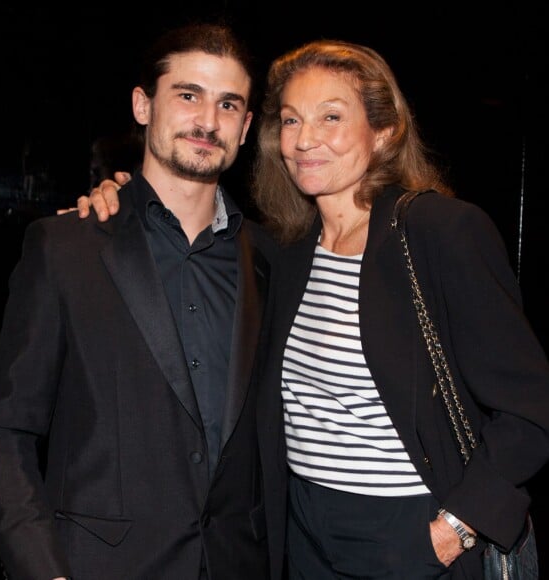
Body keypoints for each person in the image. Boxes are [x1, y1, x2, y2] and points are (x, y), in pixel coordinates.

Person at [81, 38, 549, 579]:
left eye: (331, 117)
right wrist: (119, 198)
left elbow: (529, 408)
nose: (306, 140)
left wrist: (454, 529)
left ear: (383, 131)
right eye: (292, 120)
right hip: (301, 532)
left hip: (411, 529)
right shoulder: (285, 252)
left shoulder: (438, 233)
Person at [0, 23, 284, 580]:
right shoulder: (66, 248)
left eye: (228, 104)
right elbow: (5, 432)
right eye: (188, 95)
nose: (208, 122)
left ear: (245, 127)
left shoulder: (271, 259)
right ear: (144, 106)